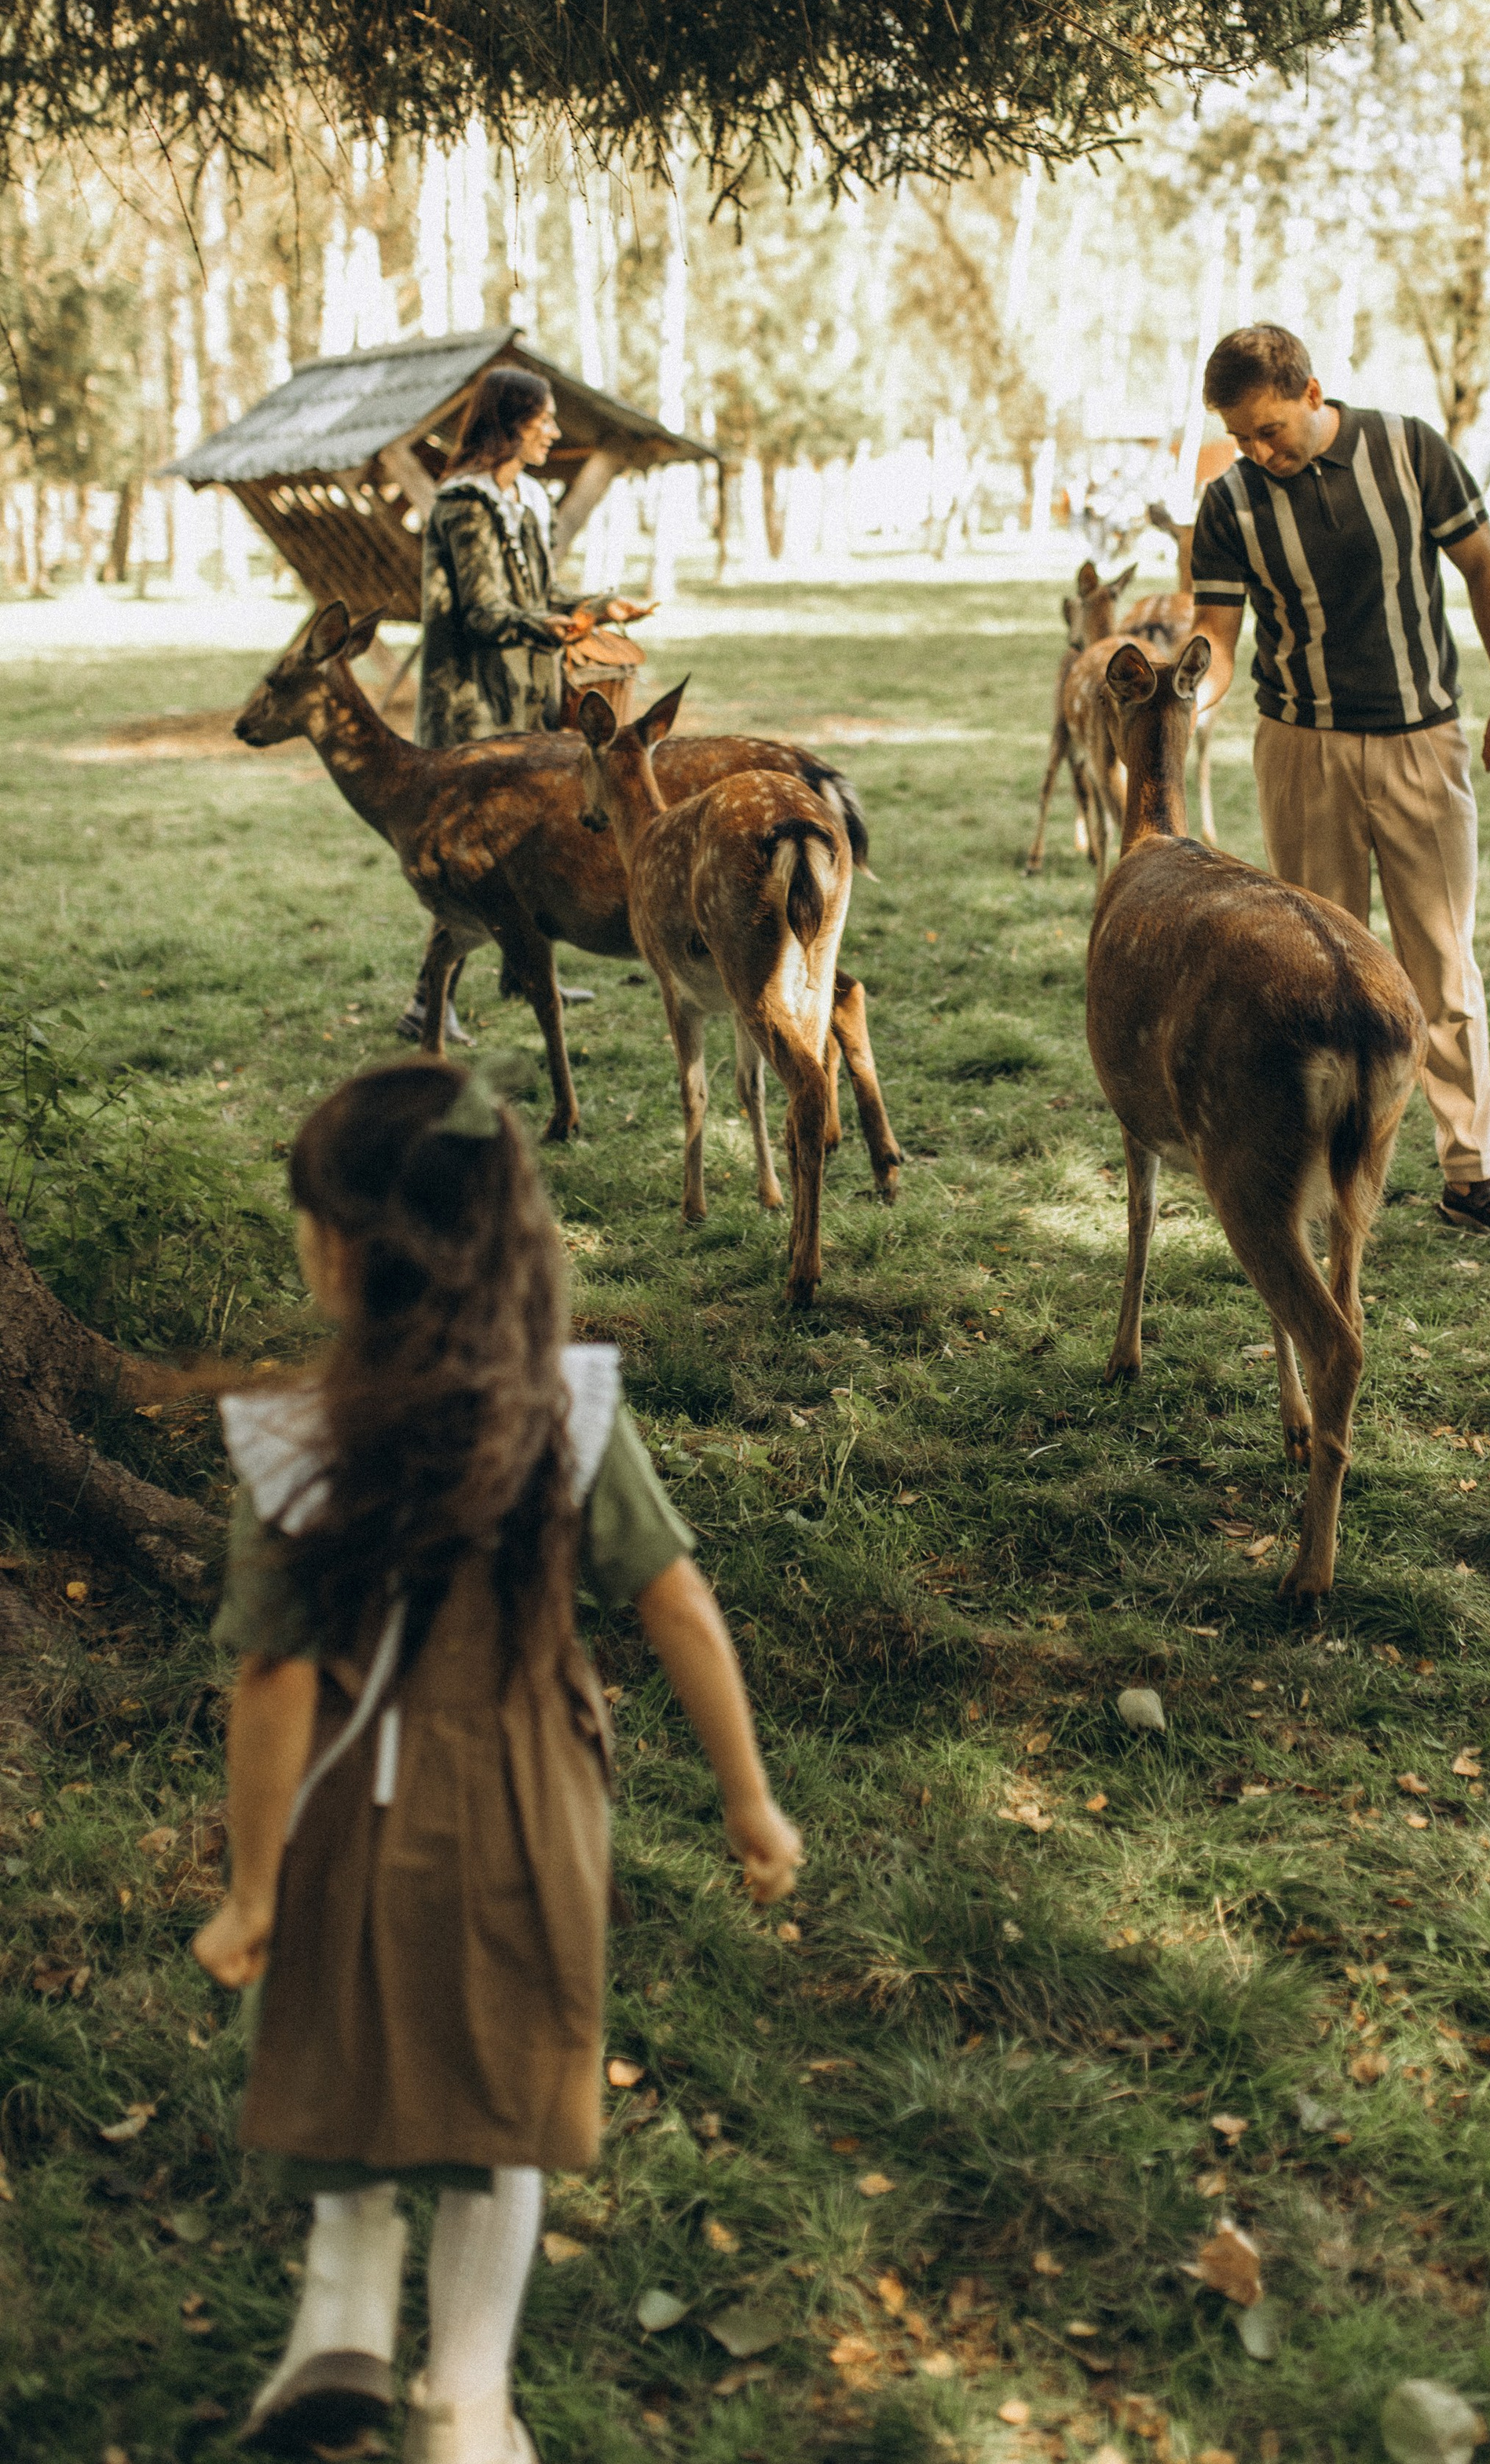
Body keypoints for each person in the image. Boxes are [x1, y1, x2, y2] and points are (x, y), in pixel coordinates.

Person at [193, 1060, 800, 2462]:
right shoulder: (565, 1416)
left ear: (348, 1250)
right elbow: (678, 1606)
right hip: (532, 1802)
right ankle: (466, 2400)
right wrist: (749, 1798)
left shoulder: (296, 1440)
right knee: (507, 2096)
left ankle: (340, 2323)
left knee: (350, 2047)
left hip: (351, 1800)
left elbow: (275, 1676)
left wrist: (255, 1884)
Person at [1188, 323, 1490, 1241]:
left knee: (1439, 961)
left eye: (1270, 428)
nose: (1258, 451)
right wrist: (1178, 696)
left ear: (1314, 394)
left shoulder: (1409, 448)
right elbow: (1219, 642)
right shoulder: (1229, 502)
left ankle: (1469, 1175)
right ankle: (1323, 1177)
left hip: (1418, 744)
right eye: (1241, 437)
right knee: (1316, 973)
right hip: (1298, 748)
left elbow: (1482, 568)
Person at [398, 368, 646, 1040]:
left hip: (524, 692)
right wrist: (554, 626)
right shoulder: (463, 504)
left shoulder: (526, 498)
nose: (556, 432)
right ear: (510, 424)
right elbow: (484, 613)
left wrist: (596, 608)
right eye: (545, 419)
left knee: (526, 845)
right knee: (469, 857)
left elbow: (537, 595)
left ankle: (524, 972)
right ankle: (427, 1001)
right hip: (473, 705)